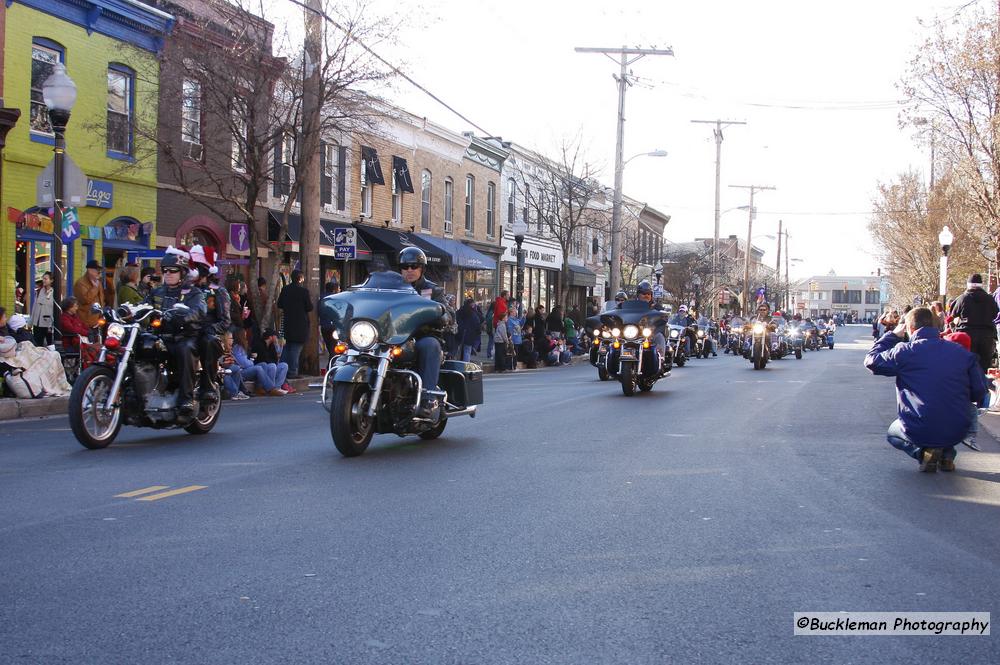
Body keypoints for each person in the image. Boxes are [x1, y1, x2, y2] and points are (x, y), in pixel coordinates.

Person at [865, 306, 988, 472]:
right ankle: (946, 455)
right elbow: (980, 392)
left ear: (909, 328)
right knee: (947, 418)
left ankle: (924, 453)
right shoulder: (961, 353)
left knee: (893, 434)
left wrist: (892, 336)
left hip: (919, 426)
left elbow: (871, 361)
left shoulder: (905, 352)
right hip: (958, 427)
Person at [143, 247, 206, 416]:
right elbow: (144, 307)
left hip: (182, 336)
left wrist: (184, 316)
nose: (168, 273)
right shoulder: (157, 292)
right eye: (165, 270)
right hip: (161, 336)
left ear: (183, 272)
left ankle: (186, 398)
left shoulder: (193, 293)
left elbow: (199, 310)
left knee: (185, 350)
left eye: (173, 270)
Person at [398, 247, 448, 417]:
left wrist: (442, 314)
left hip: (422, 336)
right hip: (394, 337)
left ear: (422, 269)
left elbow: (448, 313)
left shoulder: (432, 290)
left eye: (414, 266)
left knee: (429, 345)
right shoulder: (392, 290)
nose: (409, 270)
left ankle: (428, 398)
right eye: (405, 266)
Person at [188, 245, 230, 400]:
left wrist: (209, 329)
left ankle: (208, 385)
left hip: (203, 334)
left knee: (209, 342)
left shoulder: (218, 291)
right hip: (183, 332)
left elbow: (225, 321)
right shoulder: (183, 290)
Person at [949, 273, 999, 372]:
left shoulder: (962, 298)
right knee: (984, 366)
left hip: (967, 335)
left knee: (967, 366)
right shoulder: (990, 299)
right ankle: (983, 385)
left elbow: (952, 315)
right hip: (986, 336)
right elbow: (995, 314)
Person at [277, 269, 313, 379]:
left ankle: (282, 370)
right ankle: (292, 372)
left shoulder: (285, 289)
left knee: (287, 348)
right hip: (300, 324)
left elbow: (280, 304)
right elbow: (309, 307)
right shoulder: (303, 292)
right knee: (295, 349)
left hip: (288, 322)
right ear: (300, 279)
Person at [231, 328, 284, 397]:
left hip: (246, 368)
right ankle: (271, 388)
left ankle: (260, 387)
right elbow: (244, 363)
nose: (246, 338)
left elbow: (276, 357)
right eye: (245, 336)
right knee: (258, 368)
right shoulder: (237, 348)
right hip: (241, 372)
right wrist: (252, 362)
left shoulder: (242, 347)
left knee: (263, 364)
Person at [633, 280, 668, 367]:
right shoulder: (632, 305)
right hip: (634, 332)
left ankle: (661, 360)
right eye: (643, 293)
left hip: (651, 333)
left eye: (648, 294)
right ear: (638, 294)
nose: (646, 296)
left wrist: (662, 316)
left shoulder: (656, 307)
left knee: (659, 336)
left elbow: (663, 316)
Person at [251, 328, 292, 394]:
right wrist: (272, 362)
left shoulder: (272, 345)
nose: (276, 338)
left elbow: (276, 359)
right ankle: (271, 388)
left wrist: (278, 346)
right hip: (263, 368)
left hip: (272, 366)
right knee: (272, 366)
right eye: (275, 336)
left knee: (284, 365)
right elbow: (261, 359)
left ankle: (277, 387)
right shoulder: (259, 344)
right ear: (270, 337)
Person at [73, 260, 107, 328]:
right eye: (97, 269)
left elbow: (101, 299)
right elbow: (85, 299)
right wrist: (94, 287)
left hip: (98, 321)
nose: (99, 272)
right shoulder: (81, 283)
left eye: (100, 270)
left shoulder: (98, 283)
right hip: (86, 322)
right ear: (89, 270)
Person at [219, 331, 250, 400]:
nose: (232, 341)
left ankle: (235, 393)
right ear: (225, 339)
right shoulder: (220, 348)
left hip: (229, 370)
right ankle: (236, 392)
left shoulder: (230, 349)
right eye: (231, 338)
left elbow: (236, 362)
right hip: (220, 370)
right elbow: (219, 361)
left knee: (235, 369)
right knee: (231, 371)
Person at [30, 272, 55, 347]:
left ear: (51, 280)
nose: (44, 280)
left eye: (46, 279)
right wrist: (30, 322)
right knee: (38, 346)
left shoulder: (55, 292)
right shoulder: (39, 291)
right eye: (43, 278)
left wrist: (53, 324)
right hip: (37, 324)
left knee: (50, 346)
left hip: (48, 324)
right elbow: (34, 307)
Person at [456, 297, 483, 362]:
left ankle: (457, 364)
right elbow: (477, 323)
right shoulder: (473, 313)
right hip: (469, 335)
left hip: (459, 333)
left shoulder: (459, 312)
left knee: (458, 350)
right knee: (467, 351)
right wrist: (478, 331)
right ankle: (465, 366)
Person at [319, 280, 341, 357]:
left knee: (329, 346)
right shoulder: (336, 298)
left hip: (324, 325)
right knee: (334, 348)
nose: (339, 290)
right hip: (333, 326)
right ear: (334, 289)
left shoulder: (322, 298)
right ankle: (331, 364)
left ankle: (330, 364)